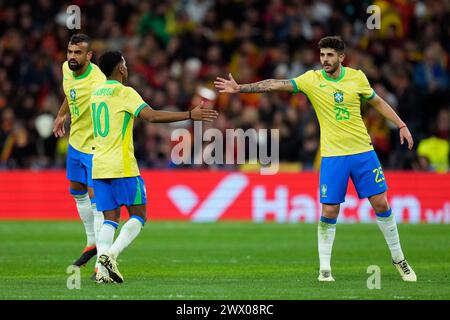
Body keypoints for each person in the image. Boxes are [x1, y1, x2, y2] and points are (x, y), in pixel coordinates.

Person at [215, 36, 417, 282]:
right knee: (330, 209)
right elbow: (275, 84)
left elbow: (377, 102)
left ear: (341, 57)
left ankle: (399, 259)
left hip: (363, 152)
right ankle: (325, 269)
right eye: (322, 55)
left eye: (330, 55)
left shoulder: (357, 77)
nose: (325, 60)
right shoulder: (312, 80)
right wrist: (241, 88)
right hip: (333, 156)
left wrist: (401, 125)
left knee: (382, 204)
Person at [92, 51, 218, 283]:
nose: (127, 68)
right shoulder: (124, 92)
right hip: (122, 165)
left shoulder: (95, 94)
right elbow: (150, 117)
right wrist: (190, 114)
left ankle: (101, 271)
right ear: (120, 68)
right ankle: (110, 255)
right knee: (139, 215)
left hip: (98, 165)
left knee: (110, 218)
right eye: (125, 64)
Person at [53, 34, 105, 271]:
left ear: (89, 56)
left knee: (98, 200)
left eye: (78, 53)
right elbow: (70, 93)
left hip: (94, 146)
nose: (72, 57)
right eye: (70, 52)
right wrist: (61, 114)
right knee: (76, 190)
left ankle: (102, 260)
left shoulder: (98, 81)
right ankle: (91, 241)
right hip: (75, 142)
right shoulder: (66, 69)